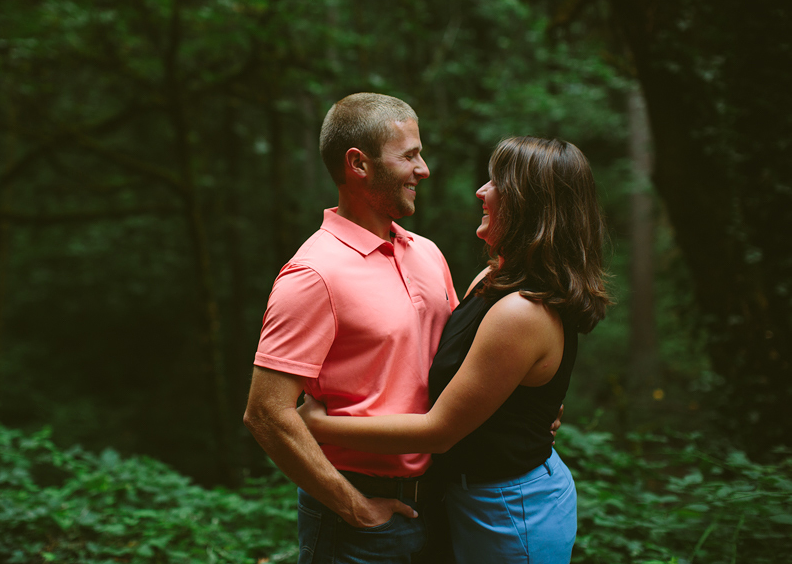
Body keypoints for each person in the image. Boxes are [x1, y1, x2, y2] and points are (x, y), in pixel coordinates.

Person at [300, 136, 611, 564]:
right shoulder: (493, 277)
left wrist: (317, 425)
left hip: (509, 511)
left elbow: (439, 431)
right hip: (465, 498)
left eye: (497, 182)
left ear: (529, 204)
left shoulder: (522, 312)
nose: (482, 192)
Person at [243, 92, 459, 563]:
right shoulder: (314, 274)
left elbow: (461, 364)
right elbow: (266, 413)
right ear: (358, 164)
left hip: (443, 502)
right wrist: (354, 508)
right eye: (409, 156)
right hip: (360, 522)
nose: (423, 169)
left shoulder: (428, 252)